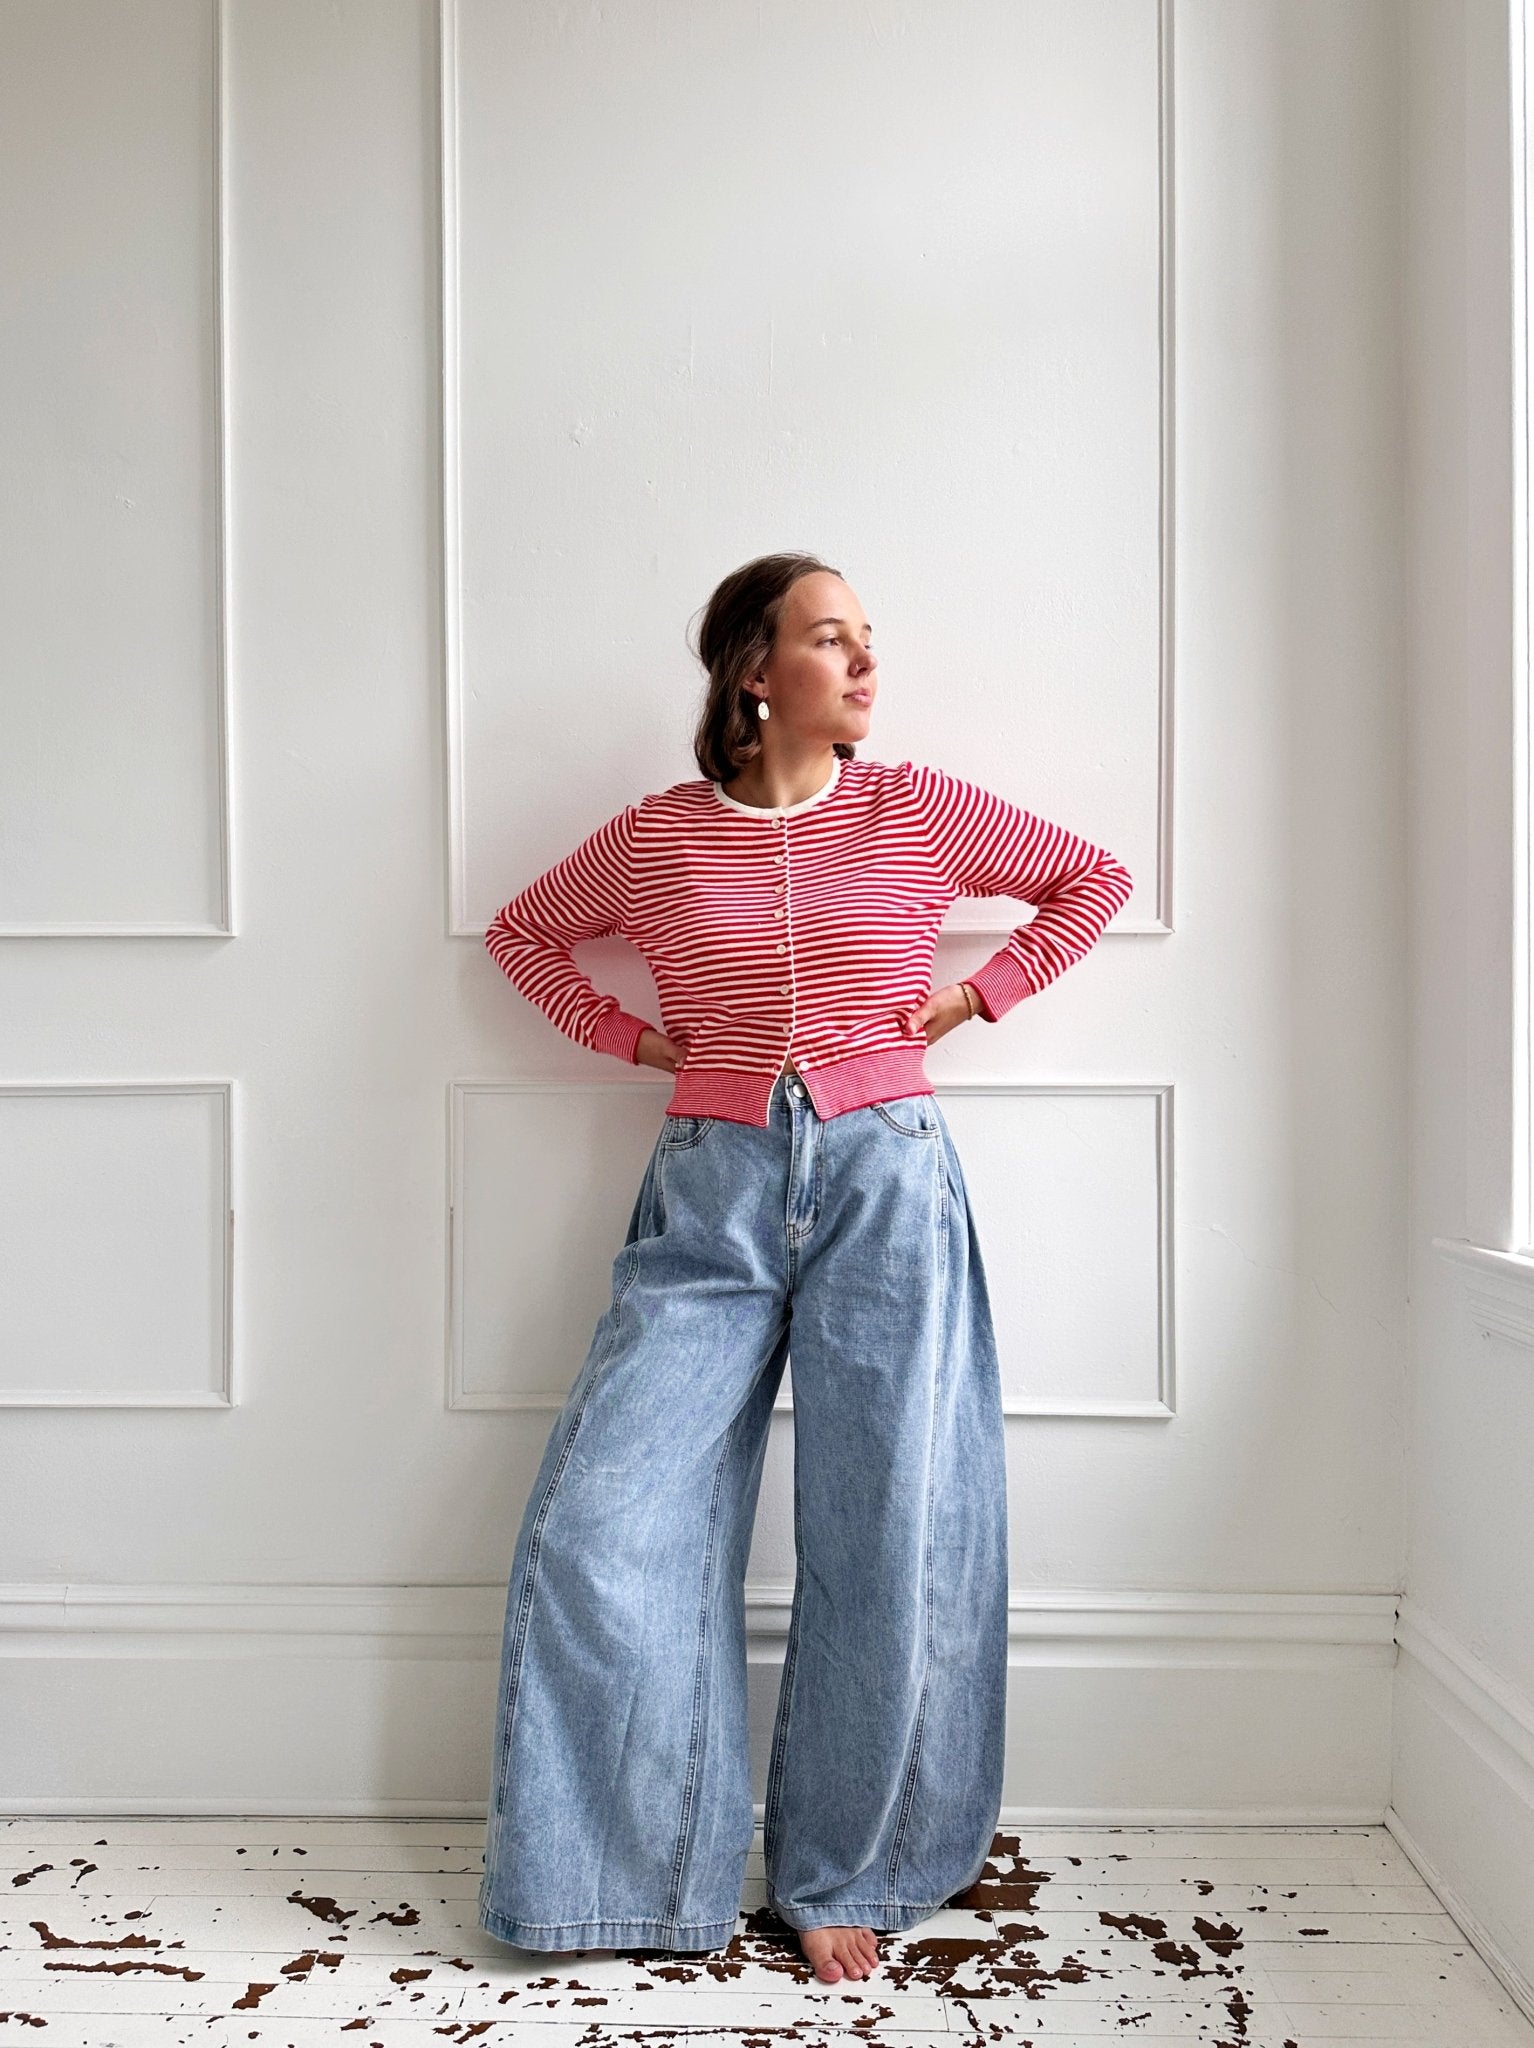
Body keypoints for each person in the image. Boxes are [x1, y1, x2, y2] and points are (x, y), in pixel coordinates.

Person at [476, 552, 1133, 1986]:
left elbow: (1091, 879)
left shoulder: (917, 809)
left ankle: (852, 1867)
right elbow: (524, 935)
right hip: (708, 1190)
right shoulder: (658, 838)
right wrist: (634, 1040)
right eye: (831, 638)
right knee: (605, 1521)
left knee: (890, 1521)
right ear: (754, 674)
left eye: (867, 637)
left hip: (885, 1176)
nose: (865, 662)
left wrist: (969, 1000)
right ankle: (625, 1876)